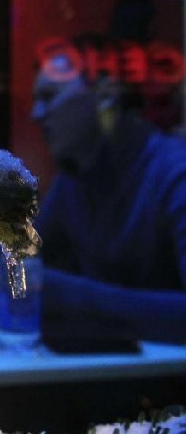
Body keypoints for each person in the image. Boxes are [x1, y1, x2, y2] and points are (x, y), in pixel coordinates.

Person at [31, 35, 186, 345]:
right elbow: (28, 266)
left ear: (107, 93)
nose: (36, 114)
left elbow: (44, 283)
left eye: (49, 96)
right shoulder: (74, 179)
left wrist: (65, 293)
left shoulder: (174, 173)